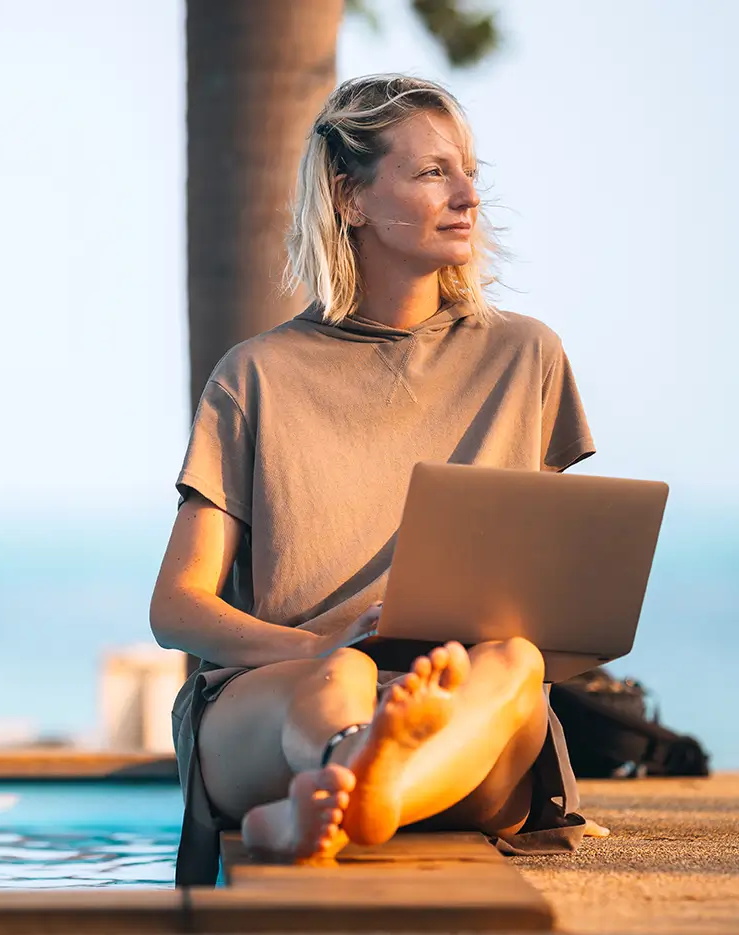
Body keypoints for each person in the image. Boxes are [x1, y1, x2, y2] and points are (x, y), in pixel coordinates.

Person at [151, 74, 603, 886]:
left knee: (517, 662)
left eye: (469, 171)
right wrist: (321, 642)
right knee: (346, 674)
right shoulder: (254, 374)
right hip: (280, 690)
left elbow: (541, 590)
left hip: (461, 706)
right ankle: (361, 768)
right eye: (433, 172)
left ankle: (354, 792)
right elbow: (177, 606)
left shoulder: (525, 356)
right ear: (349, 197)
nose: (469, 194)